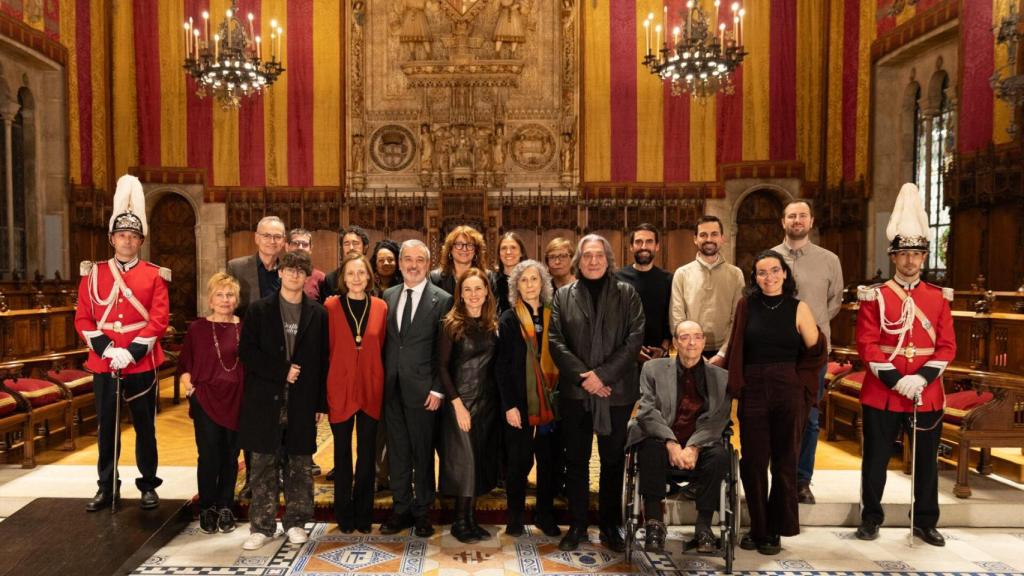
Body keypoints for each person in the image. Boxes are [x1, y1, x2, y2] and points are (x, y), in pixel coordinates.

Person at [854, 183, 955, 547]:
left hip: (926, 395)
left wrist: (921, 379)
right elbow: (866, 344)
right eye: (904, 254)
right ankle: (871, 517)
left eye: (916, 254)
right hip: (883, 392)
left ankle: (926, 521)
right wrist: (898, 380)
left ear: (924, 257)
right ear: (893, 257)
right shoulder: (874, 296)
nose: (910, 261)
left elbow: (947, 346)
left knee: (927, 462)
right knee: (875, 460)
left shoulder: (938, 298)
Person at [75, 174, 171, 512]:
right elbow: (83, 318)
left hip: (141, 361)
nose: (127, 241)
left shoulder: (154, 274)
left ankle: (148, 485)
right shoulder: (93, 273)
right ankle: (106, 487)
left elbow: (159, 319)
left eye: (132, 236)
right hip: (104, 361)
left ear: (140, 241)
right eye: (121, 235)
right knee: (106, 431)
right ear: (111, 238)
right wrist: (107, 349)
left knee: (146, 428)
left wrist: (129, 352)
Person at [723, 249, 825, 555]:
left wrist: (800, 381)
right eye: (762, 272)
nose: (769, 277)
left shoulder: (799, 308)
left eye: (775, 270)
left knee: (784, 461)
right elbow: (736, 344)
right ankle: (758, 527)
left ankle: (776, 530)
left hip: (787, 389)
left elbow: (817, 351)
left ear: (785, 274)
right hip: (754, 387)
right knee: (753, 462)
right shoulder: (746, 305)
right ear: (754, 277)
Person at [548, 234, 644, 552]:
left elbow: (634, 339)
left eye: (598, 255)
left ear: (608, 259)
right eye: (587, 255)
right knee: (575, 460)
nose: (592, 261)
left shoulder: (627, 294)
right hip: (577, 394)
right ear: (579, 259)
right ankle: (576, 525)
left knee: (612, 461)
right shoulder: (563, 295)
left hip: (616, 393)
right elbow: (556, 342)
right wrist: (584, 378)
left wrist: (602, 376)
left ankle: (609, 526)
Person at [237, 250, 329, 550]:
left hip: (302, 399)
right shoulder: (258, 310)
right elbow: (247, 354)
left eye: (301, 271)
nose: (294, 275)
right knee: (263, 462)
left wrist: (319, 403)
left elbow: (321, 361)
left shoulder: (318, 313)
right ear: (280, 272)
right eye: (289, 269)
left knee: (299, 463)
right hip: (265, 397)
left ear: (307, 276)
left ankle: (296, 522)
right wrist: (282, 371)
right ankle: (262, 526)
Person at [624, 320, 732, 554]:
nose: (691, 342)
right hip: (663, 440)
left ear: (704, 341)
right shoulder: (652, 369)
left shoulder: (722, 378)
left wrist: (693, 447)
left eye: (697, 336)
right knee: (649, 448)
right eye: (684, 337)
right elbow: (647, 410)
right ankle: (654, 523)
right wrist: (671, 443)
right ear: (675, 343)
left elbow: (718, 419)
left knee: (721, 456)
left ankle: (703, 526)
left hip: (700, 445)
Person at [379, 239, 454, 538]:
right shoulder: (388, 295)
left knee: (423, 453)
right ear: (399, 264)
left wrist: (438, 389)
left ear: (427, 263)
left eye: (419, 260)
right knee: (397, 452)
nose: (412, 265)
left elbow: (445, 352)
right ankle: (401, 509)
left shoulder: (443, 299)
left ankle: (423, 512)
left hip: (425, 392)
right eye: (407, 259)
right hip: (391, 388)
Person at [772, 200, 844, 504]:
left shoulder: (829, 260)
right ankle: (779, 478)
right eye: (791, 216)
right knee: (779, 416)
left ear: (811, 221)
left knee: (811, 418)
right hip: (779, 349)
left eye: (802, 215)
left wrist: (811, 331)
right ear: (783, 221)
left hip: (813, 353)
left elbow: (834, 302)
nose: (796, 220)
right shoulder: (772, 257)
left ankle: (802, 480)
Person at [496, 259, 562, 539]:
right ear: (516, 286)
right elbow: (501, 366)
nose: (529, 284)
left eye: (534, 279)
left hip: (549, 400)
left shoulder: (555, 316)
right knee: (519, 461)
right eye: (523, 280)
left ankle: (544, 514)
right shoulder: (509, 318)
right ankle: (515, 517)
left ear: (543, 283)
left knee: (549, 461)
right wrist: (509, 405)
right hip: (519, 403)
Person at [324, 253, 388, 534]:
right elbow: (325, 349)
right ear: (343, 278)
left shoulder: (381, 307)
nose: (356, 278)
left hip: (371, 386)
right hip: (340, 386)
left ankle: (364, 513)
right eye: (351, 273)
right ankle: (344, 514)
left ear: (369, 276)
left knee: (367, 454)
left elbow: (383, 346)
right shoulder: (330, 306)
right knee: (341, 455)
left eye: (361, 273)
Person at [180, 273, 245, 534]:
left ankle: (225, 504)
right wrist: (189, 387)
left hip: (238, 399)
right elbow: (184, 364)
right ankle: (208, 506)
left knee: (230, 456)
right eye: (220, 294)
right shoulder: (197, 328)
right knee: (208, 456)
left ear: (237, 299)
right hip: (206, 399)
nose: (225, 299)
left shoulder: (245, 326)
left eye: (230, 295)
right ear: (210, 299)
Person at [438, 268, 500, 543]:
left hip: (487, 404)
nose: (473, 295)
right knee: (463, 462)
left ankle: (471, 519)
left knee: (479, 460)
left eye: (478, 289)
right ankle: (459, 522)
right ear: (460, 295)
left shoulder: (492, 325)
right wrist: (457, 405)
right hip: (460, 402)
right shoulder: (451, 324)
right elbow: (440, 367)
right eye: (468, 290)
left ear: (487, 292)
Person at [669, 215, 745, 363]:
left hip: (726, 352)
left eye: (714, 234)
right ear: (695, 239)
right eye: (703, 235)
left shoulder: (736, 274)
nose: (709, 239)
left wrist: (723, 353)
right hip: (689, 351)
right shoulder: (682, 273)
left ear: (722, 238)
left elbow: (738, 317)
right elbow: (677, 316)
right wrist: (693, 351)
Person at [617, 223, 673, 363]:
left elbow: (671, 317)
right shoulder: (617, 279)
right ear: (631, 247)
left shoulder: (668, 279)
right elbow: (613, 320)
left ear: (657, 246)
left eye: (649, 242)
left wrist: (663, 348)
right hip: (624, 355)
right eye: (638, 242)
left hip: (659, 355)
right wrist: (631, 349)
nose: (643, 247)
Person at [227, 215, 287, 318]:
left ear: (283, 241)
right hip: (248, 330)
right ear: (257, 238)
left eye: (277, 237)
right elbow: (228, 305)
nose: (272, 241)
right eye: (266, 236)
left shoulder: (289, 271)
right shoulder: (236, 268)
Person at [430, 225, 490, 296]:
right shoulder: (435, 278)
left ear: (476, 251)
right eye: (459, 244)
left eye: (470, 245)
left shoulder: (488, 277)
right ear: (450, 249)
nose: (464, 249)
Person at [319, 225, 370, 304]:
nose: (351, 248)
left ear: (365, 247)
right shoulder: (331, 279)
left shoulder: (372, 275)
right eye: (346, 244)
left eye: (355, 243)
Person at [287, 228, 326, 301]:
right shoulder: (280, 274)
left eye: (305, 244)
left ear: (311, 249)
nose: (300, 248)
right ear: (287, 247)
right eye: (295, 243)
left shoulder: (320, 278)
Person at [494, 232, 527, 316]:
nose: (508, 252)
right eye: (504, 248)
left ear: (521, 253)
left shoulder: (531, 281)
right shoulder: (492, 281)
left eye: (513, 247)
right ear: (499, 254)